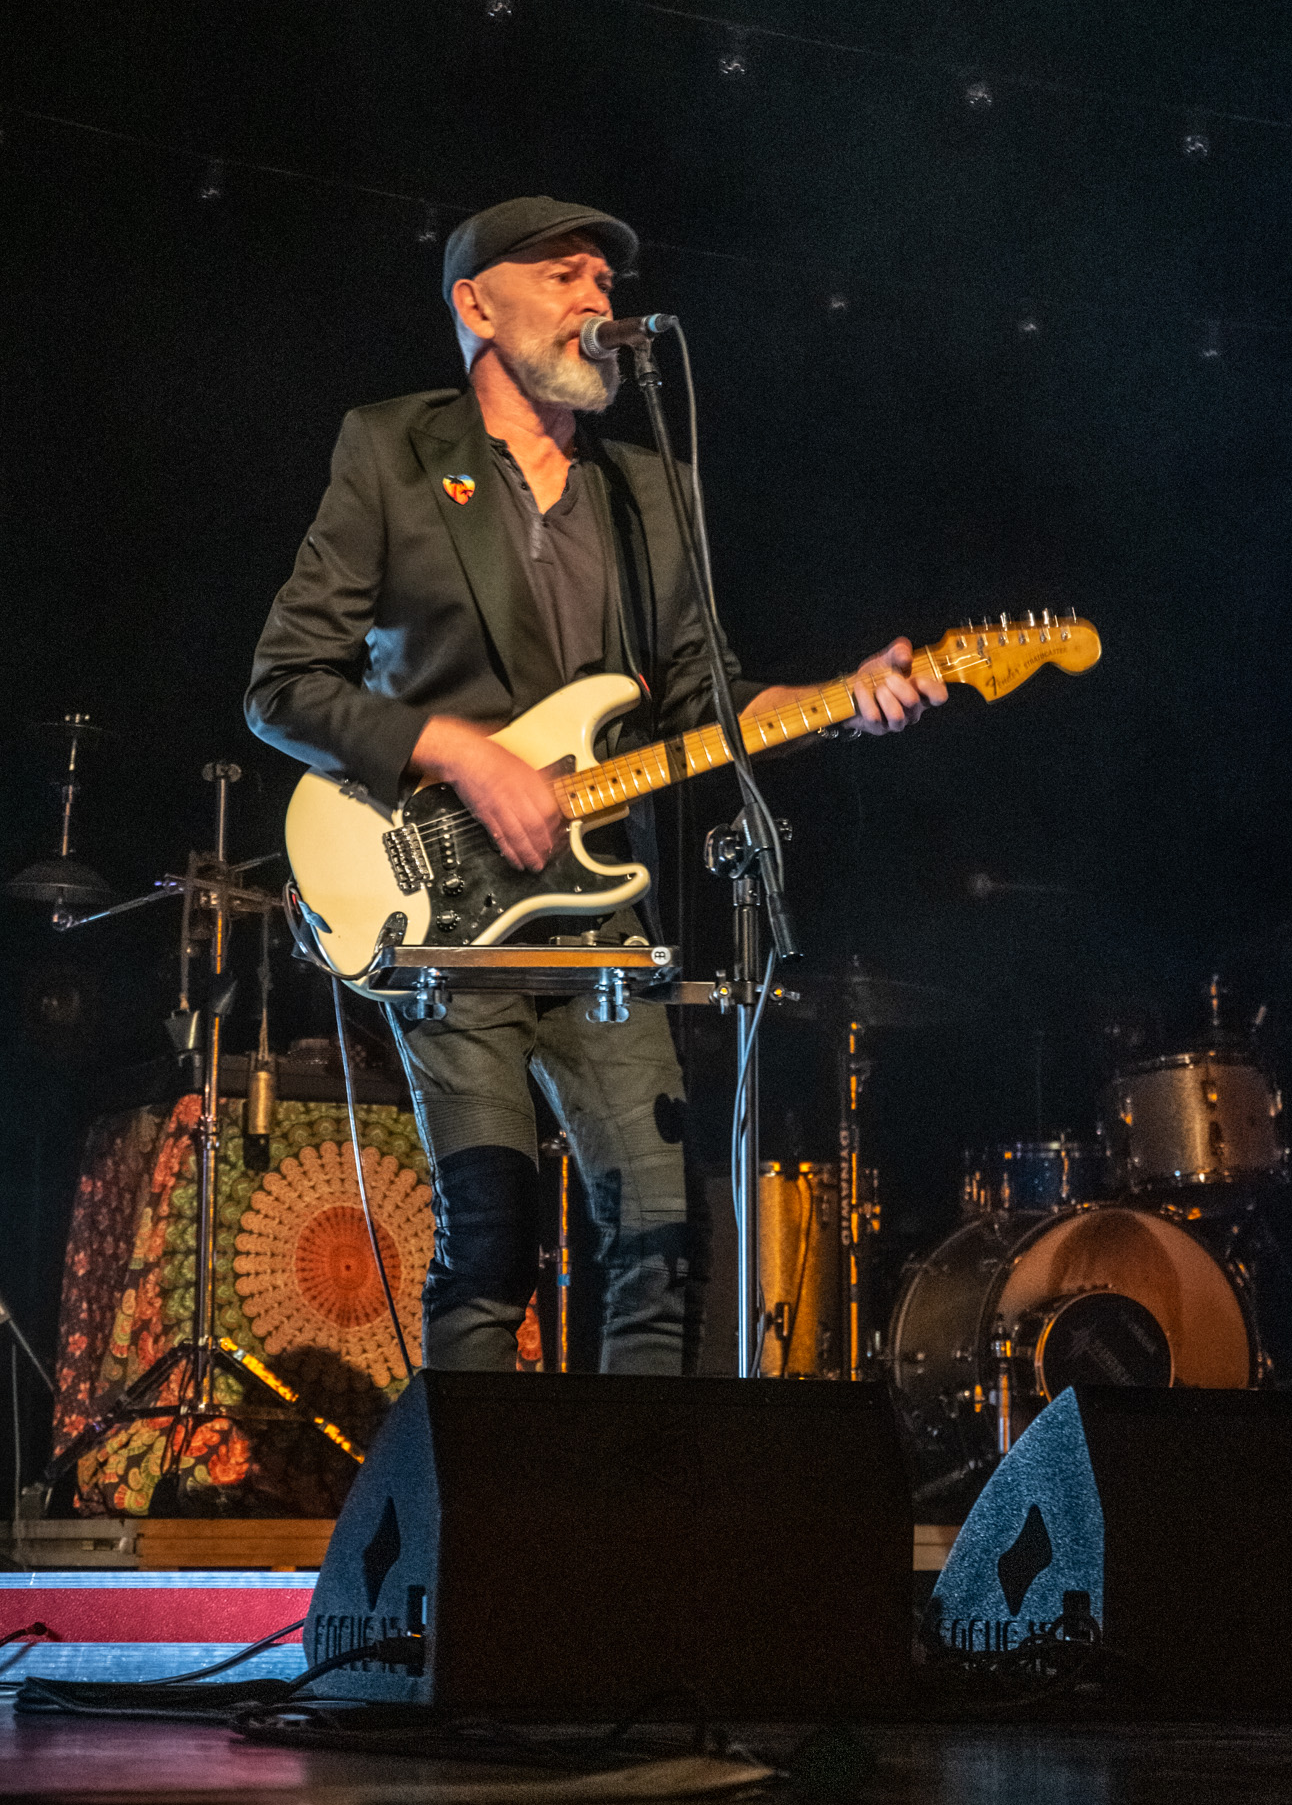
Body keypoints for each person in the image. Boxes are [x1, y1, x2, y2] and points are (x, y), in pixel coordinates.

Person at [245, 194, 946, 1377]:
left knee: (665, 1241)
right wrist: (464, 753)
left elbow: (704, 703)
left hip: (600, 918)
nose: (596, 298)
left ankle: (634, 1497)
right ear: (476, 305)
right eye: (564, 274)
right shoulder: (390, 450)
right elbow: (282, 685)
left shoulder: (649, 488)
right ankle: (468, 1496)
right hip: (444, 909)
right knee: (489, 1243)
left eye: (605, 282)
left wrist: (843, 696)